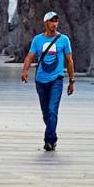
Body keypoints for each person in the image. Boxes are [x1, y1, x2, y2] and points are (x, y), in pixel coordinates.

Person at [19, 11, 75, 151]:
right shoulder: (38, 40)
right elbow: (29, 57)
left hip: (56, 79)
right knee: (46, 112)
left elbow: (69, 61)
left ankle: (49, 140)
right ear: (45, 23)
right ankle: (52, 135)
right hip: (41, 80)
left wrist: (71, 80)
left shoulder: (64, 40)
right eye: (51, 21)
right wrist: (25, 71)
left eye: (56, 21)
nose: (54, 24)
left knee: (52, 110)